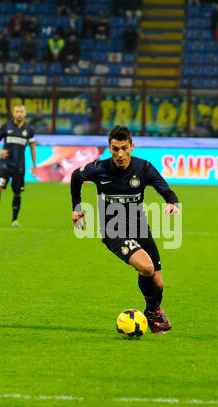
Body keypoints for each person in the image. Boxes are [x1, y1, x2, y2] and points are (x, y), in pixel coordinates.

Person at [71, 125, 179, 334]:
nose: (120, 154)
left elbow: (164, 188)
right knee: (146, 268)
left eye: (124, 148)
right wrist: (77, 207)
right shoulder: (98, 169)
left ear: (132, 146)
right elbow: (76, 176)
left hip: (139, 227)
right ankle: (154, 312)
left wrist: (171, 201)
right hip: (113, 231)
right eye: (115, 149)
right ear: (109, 148)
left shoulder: (144, 168)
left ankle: (151, 313)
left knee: (157, 283)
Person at [0, 105, 37, 228]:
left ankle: (14, 220)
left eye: (21, 111)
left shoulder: (29, 129)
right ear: (13, 113)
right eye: (17, 111)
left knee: (17, 193)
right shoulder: (5, 126)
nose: (19, 114)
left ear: (25, 113)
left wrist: (35, 166)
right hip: (5, 165)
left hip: (19, 166)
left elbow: (32, 147)